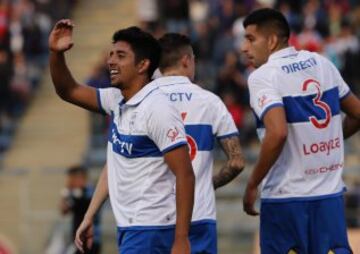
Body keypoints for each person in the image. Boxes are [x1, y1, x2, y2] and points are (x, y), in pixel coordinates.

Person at [76, 32, 245, 254]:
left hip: (154, 221)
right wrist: (205, 185)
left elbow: (115, 165)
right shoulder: (210, 102)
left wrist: (90, 214)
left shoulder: (139, 99)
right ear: (186, 60)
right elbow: (237, 162)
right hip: (199, 217)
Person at [48, 19, 195, 254]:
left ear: (143, 64)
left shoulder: (157, 109)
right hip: (130, 228)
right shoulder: (116, 100)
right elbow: (68, 90)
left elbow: (185, 174)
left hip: (151, 229)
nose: (111, 61)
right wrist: (56, 53)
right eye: (111, 54)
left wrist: (181, 239)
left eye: (120, 55)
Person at [240, 8, 360, 254]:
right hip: (329, 198)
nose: (244, 47)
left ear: (272, 41)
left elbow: (277, 133)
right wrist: (327, 137)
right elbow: (358, 113)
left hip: (286, 199)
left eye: (251, 39)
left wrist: (253, 183)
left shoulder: (262, 76)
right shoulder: (322, 63)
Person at [60, 165, 101, 254]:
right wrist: (65, 195)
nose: (69, 181)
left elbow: (85, 203)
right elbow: (64, 211)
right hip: (78, 240)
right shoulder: (75, 193)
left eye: (71, 178)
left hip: (91, 240)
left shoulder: (91, 191)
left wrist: (73, 195)